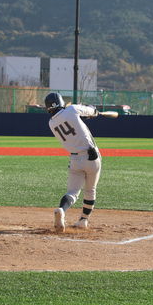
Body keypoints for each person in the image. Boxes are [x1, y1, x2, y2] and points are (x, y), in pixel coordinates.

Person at [45, 92, 102, 232]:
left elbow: (71, 121)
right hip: (91, 157)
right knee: (90, 190)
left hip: (74, 159)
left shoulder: (51, 123)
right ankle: (83, 220)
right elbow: (92, 111)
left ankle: (62, 210)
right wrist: (94, 111)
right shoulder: (71, 110)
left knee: (72, 192)